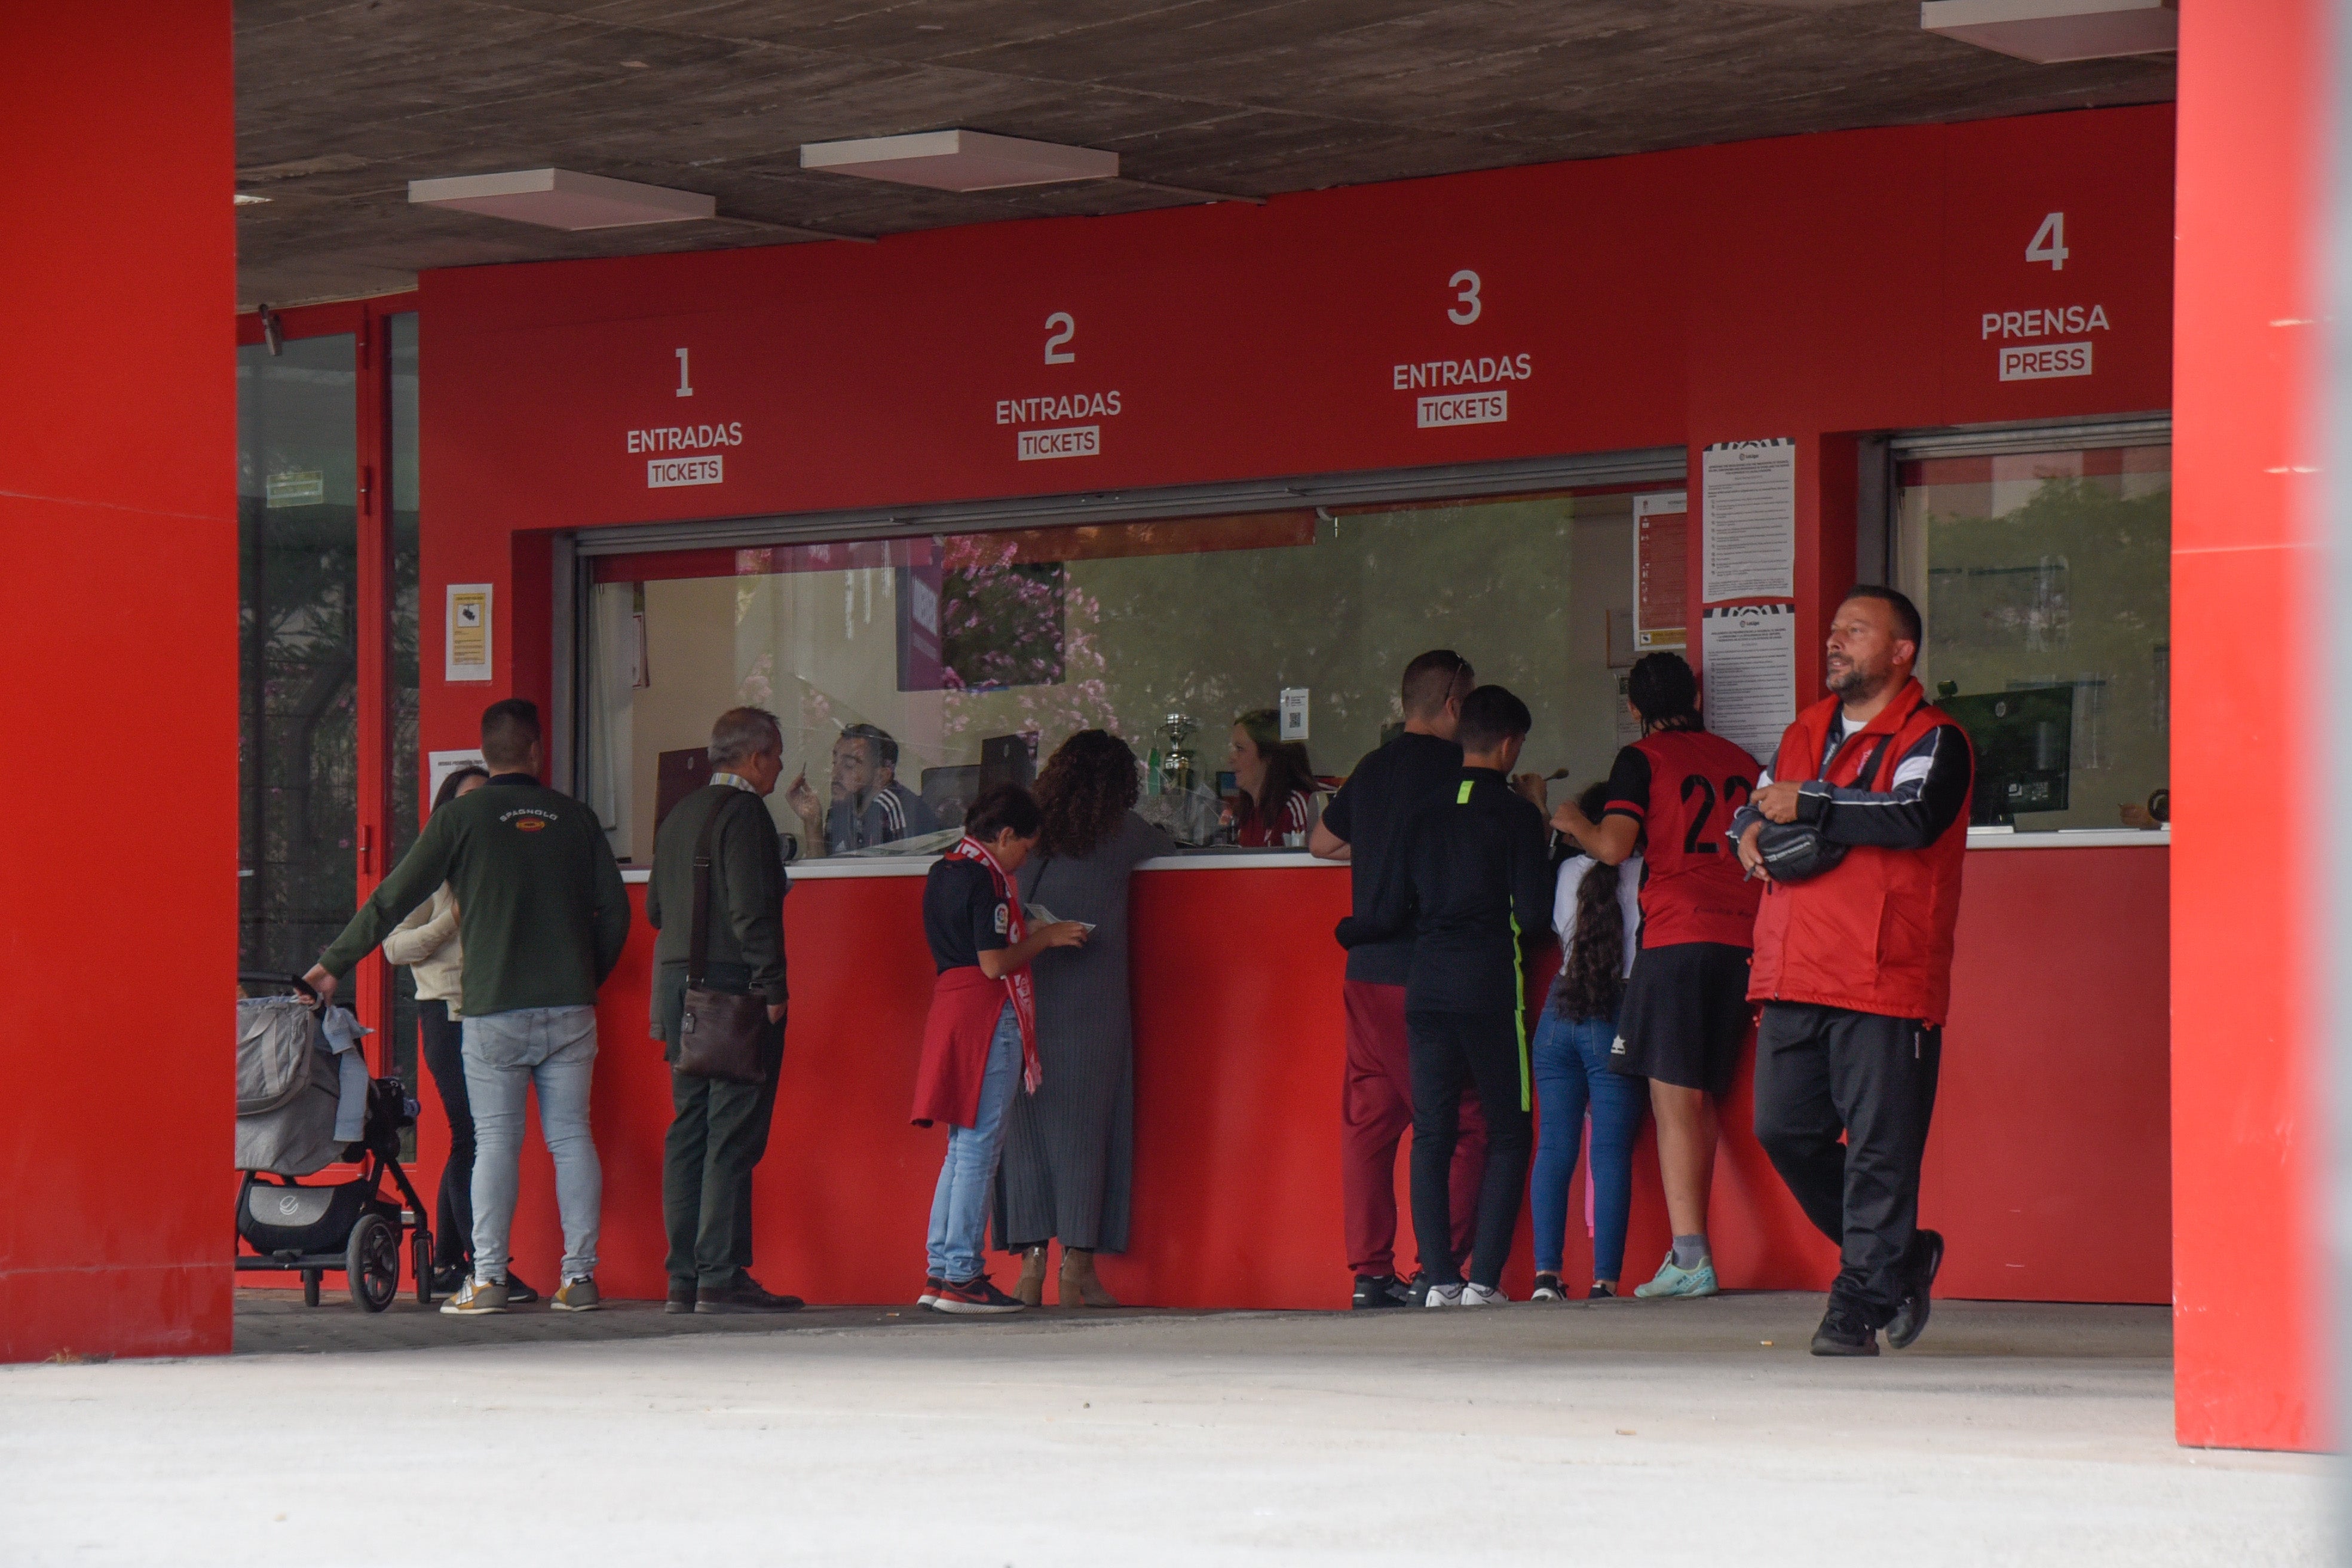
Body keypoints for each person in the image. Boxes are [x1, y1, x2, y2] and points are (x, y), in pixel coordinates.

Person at [306, 698, 630, 1316]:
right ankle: (580, 1277)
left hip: (492, 1009)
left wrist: (332, 966)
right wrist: (585, 975)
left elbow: (391, 896)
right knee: (571, 1137)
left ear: (487, 754)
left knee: (494, 1142)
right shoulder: (576, 817)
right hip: (570, 1008)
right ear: (537, 750)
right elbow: (615, 912)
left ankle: (486, 1281)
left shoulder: (462, 817)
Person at [1731, 586, 1973, 1357]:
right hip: (1792, 968)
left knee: (1879, 1149)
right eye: (1834, 631)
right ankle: (1899, 1255)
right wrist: (1747, 832)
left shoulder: (1935, 736)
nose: (1835, 642)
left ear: (1902, 652)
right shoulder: (1804, 729)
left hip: (1884, 974)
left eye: (1856, 632)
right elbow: (1756, 802)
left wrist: (1814, 804)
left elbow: (1914, 817)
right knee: (1783, 1128)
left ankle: (1859, 1302)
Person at [1548, 651, 1760, 1299]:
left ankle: (1692, 1257)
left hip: (1676, 936)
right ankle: (1689, 1248)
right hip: (1741, 936)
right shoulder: (1743, 760)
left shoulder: (1642, 759)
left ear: (1633, 709)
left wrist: (1571, 821)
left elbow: (1613, 845)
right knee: (1702, 1097)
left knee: (1673, 1103)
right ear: (1694, 695)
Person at [1343, 685, 1551, 1307]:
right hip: (1490, 990)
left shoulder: (1424, 811)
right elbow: (1536, 916)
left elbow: (1385, 909)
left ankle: (1438, 1279)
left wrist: (1348, 931)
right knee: (1509, 1131)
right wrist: (1538, 817)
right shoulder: (1514, 815)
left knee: (1431, 1133)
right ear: (1512, 744)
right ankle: (1483, 1279)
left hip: (1424, 986)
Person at [1312, 650, 1490, 1308]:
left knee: (1370, 1123)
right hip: (1429, 973)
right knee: (1465, 1121)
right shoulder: (1462, 771)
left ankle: (1370, 1273)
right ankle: (1435, 1269)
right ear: (1452, 705)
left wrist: (1381, 846)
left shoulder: (1373, 766)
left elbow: (1320, 845)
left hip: (1365, 974)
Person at [999, 730, 1177, 1307]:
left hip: (1022, 1000)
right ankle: (1076, 1268)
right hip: (1091, 1004)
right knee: (1088, 1133)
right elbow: (1170, 848)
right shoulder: (1121, 833)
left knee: (1025, 1136)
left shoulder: (1025, 834)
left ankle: (1030, 1269)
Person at [647, 706, 803, 1316]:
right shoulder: (746, 816)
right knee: (732, 1134)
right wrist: (773, 984)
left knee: (688, 1130)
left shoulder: (679, 813)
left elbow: (658, 909)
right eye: (778, 753)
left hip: (678, 994)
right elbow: (751, 911)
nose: (782, 765)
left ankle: (682, 1278)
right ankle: (721, 1274)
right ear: (756, 755)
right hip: (734, 991)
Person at [910, 785, 1089, 1314]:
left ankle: (941, 1269)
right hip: (988, 1011)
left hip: (951, 1006)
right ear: (1006, 835)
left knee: (959, 1146)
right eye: (1025, 848)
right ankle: (963, 1273)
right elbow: (993, 963)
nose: (1025, 859)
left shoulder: (944, 868)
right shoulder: (987, 877)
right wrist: (1045, 937)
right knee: (979, 1148)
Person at [383, 764, 536, 1299]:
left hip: (494, 1013)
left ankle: (450, 1261)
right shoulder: (435, 871)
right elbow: (393, 946)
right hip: (445, 1014)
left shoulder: (501, 869)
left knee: (469, 1137)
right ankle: (481, 1263)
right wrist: (452, 918)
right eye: (468, 802)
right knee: (475, 1134)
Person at [1527, 782, 1647, 1303]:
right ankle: (1605, 1283)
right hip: (1616, 1010)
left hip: (1560, 1007)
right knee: (1610, 1152)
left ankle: (1546, 1279)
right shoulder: (1645, 875)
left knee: (1554, 1146)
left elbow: (1556, 931)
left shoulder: (1567, 873)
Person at [785, 721, 939, 855]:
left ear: (881, 777)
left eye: (849, 765)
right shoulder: (842, 807)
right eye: (834, 763)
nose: (835, 774)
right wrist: (813, 822)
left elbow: (903, 880)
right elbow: (823, 875)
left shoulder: (892, 805)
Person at [1223, 709, 1318, 847]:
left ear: (1269, 757)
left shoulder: (1296, 806)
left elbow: (1310, 865)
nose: (1231, 759)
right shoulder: (1246, 811)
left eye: (1240, 749)